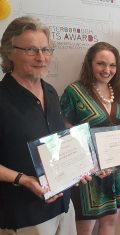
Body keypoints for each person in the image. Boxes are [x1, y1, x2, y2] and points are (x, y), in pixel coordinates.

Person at [0, 16, 80, 235]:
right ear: (9, 52)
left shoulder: (51, 92)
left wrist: (81, 164)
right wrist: (24, 180)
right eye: (31, 50)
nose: (41, 58)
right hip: (25, 215)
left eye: (46, 50)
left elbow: (59, 142)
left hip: (63, 205)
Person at [60, 42, 120, 235]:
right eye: (101, 64)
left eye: (112, 65)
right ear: (90, 64)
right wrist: (93, 159)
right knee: (85, 228)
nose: (107, 70)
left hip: (116, 170)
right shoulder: (74, 91)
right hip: (88, 173)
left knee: (110, 223)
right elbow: (64, 131)